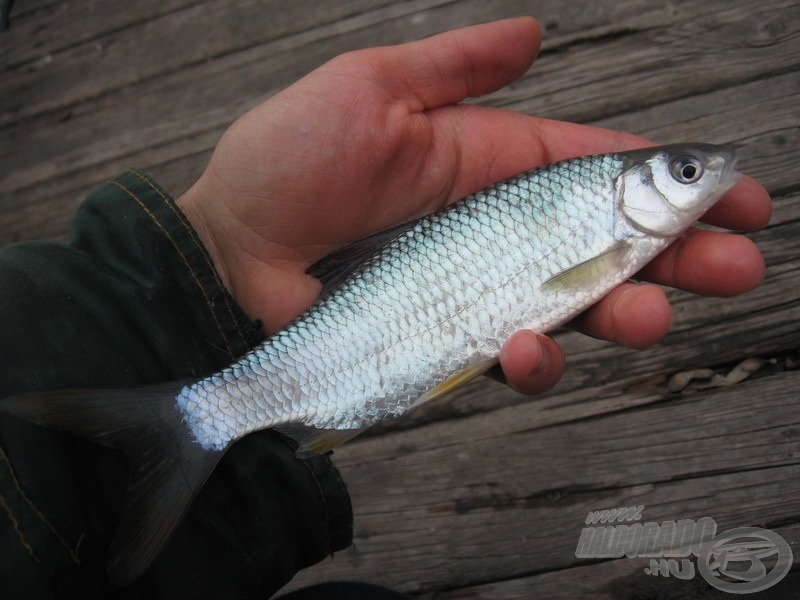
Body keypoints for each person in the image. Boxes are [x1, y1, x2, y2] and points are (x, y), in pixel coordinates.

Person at [0, 17, 770, 600]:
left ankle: (194, 421)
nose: (704, 176)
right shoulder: (602, 214)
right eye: (686, 170)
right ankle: (195, 421)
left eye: (687, 170)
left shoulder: (610, 223)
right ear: (629, 189)